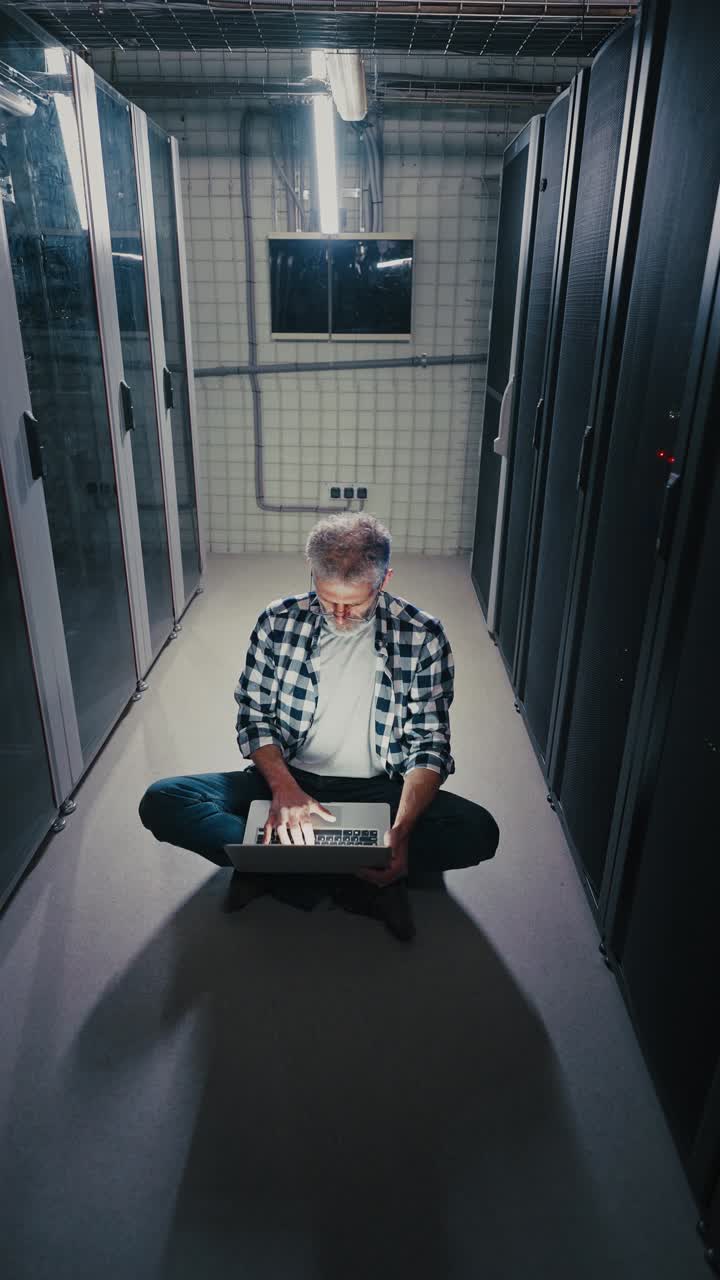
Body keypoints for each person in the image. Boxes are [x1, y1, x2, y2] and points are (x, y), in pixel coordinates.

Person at [139, 513, 499, 942]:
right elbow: (254, 717)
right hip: (291, 780)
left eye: (356, 604)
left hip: (379, 788)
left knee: (478, 831)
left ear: (384, 581)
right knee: (164, 800)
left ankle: (279, 868)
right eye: (328, 601)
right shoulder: (277, 621)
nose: (341, 616)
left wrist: (400, 832)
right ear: (313, 576)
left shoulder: (423, 635)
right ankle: (350, 875)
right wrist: (283, 787)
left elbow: (429, 745)